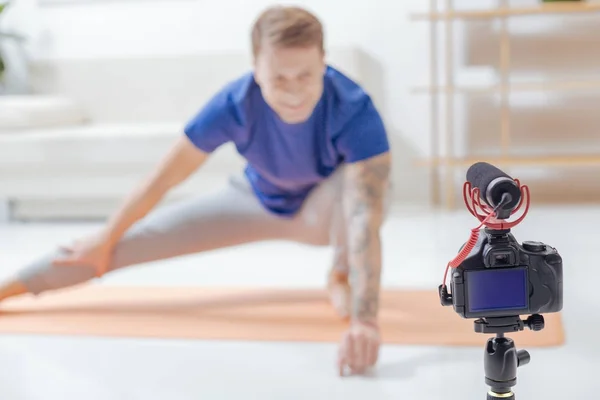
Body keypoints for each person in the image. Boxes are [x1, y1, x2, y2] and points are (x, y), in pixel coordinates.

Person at [0, 6, 392, 376]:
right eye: (278, 79)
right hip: (253, 200)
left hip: (322, 212)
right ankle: (7, 289)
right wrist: (105, 238)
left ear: (323, 62)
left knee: (359, 191)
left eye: (305, 76)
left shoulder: (354, 108)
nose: (293, 92)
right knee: (120, 244)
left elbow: (363, 217)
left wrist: (365, 322)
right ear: (255, 70)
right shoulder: (233, 104)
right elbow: (162, 180)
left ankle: (339, 276)